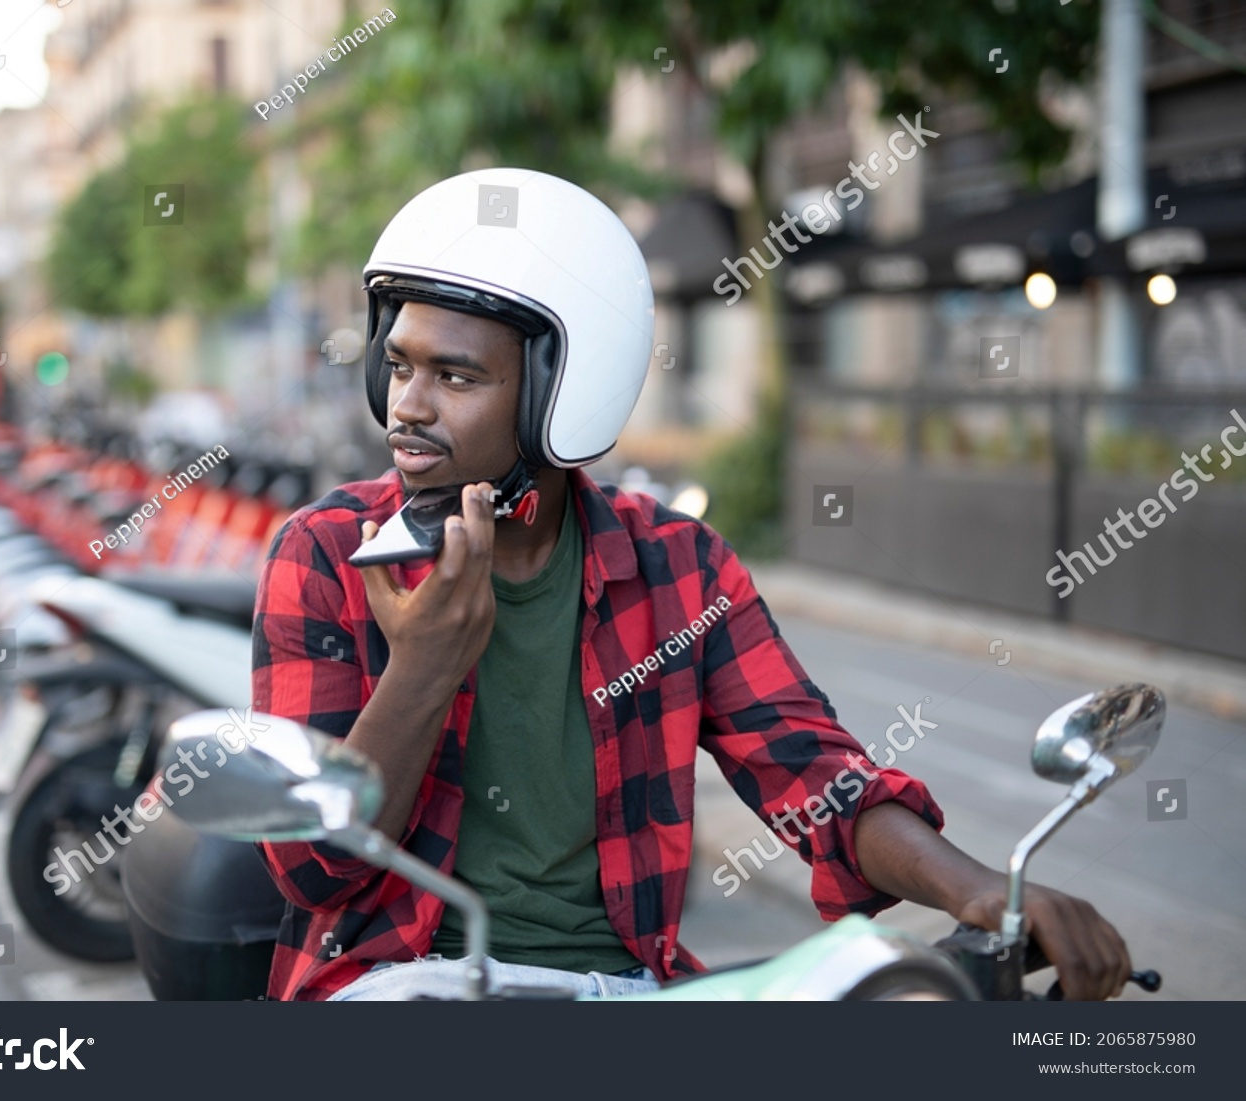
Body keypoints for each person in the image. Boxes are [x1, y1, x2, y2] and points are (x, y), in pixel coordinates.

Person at [249, 168, 1133, 1002]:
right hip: (402, 988)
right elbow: (312, 867)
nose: (408, 403)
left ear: (561, 392)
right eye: (400, 365)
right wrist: (423, 667)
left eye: (456, 375)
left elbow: (818, 780)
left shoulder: (678, 565)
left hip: (630, 993)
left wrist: (986, 892)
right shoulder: (325, 554)